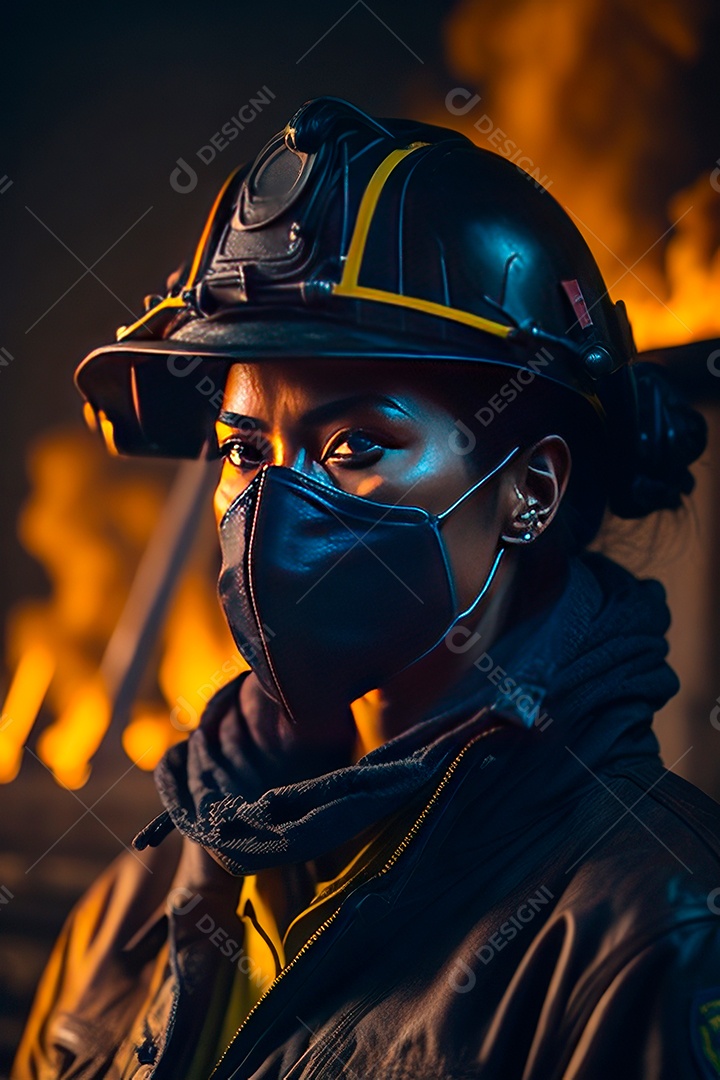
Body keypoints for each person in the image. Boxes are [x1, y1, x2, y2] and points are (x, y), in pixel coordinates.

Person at [13, 96, 720, 1080]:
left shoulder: (651, 937)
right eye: (244, 449)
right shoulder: (139, 912)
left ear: (529, 490)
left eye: (355, 446)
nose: (272, 509)